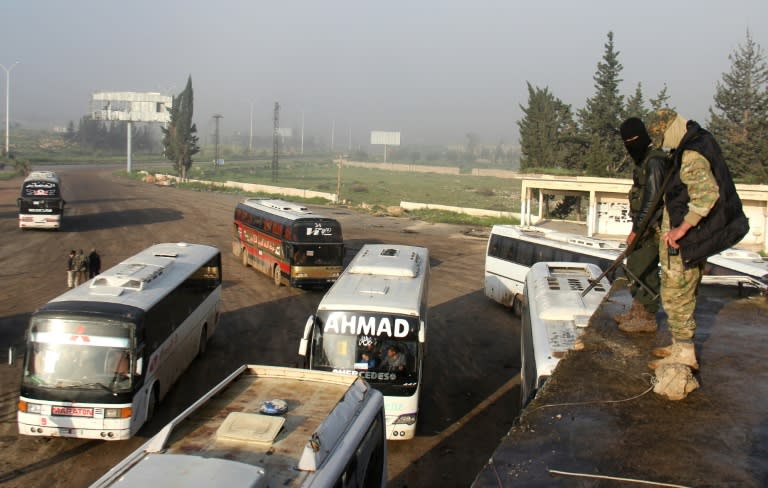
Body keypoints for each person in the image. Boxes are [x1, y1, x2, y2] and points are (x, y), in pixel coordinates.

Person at [649, 114, 749, 371]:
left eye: (663, 138)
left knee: (676, 292)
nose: (664, 145)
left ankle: (684, 353)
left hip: (687, 239)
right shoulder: (700, 141)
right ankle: (680, 344)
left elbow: (706, 196)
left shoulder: (692, 154)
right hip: (697, 236)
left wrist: (682, 229)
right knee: (685, 290)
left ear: (669, 129)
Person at [614, 117, 669, 333]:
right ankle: (637, 310)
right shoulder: (644, 161)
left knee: (643, 268)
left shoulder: (654, 162)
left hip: (651, 228)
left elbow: (652, 201)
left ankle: (646, 316)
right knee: (636, 266)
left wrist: (637, 230)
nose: (630, 145)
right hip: (644, 226)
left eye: (633, 140)